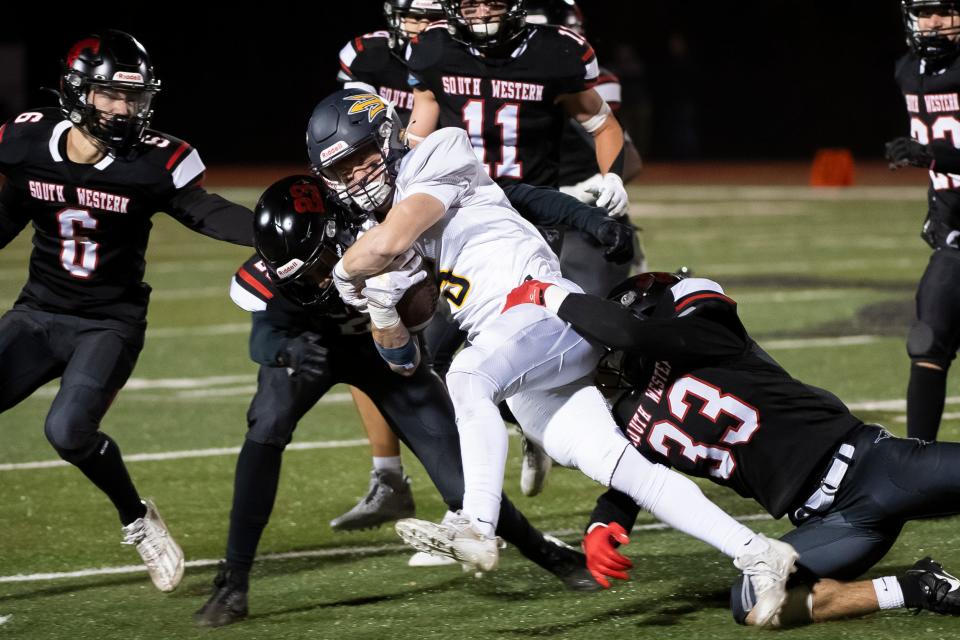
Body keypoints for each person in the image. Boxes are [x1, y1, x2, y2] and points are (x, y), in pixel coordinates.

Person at [309, 87, 799, 626]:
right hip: (513, 350)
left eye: (360, 158)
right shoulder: (376, 227)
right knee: (622, 467)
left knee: (468, 377)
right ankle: (759, 553)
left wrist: (343, 274)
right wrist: (382, 310)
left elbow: (385, 243)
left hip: (543, 310)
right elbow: (402, 360)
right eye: (341, 170)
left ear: (387, 139)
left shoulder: (438, 152)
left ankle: (476, 523)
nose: (355, 175)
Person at [194, 175, 602, 627]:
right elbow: (264, 335)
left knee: (460, 481)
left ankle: (550, 555)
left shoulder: (380, 220)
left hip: (380, 348)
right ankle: (233, 581)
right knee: (265, 429)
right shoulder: (283, 263)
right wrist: (288, 350)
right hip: (309, 348)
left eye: (316, 265)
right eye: (301, 273)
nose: (314, 278)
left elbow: (486, 190)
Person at [505, 271, 960, 626]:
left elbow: (633, 336)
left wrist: (549, 295)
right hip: (832, 521)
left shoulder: (709, 336)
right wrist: (605, 521)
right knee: (752, 602)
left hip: (875, 465)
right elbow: (634, 476)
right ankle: (918, 588)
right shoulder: (629, 412)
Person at [0, 30, 254, 593]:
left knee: (67, 432)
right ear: (76, 91)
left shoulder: (154, 161)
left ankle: (137, 519)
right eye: (110, 95)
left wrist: (273, 234)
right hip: (38, 312)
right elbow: (10, 213)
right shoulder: (25, 144)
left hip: (108, 324)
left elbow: (205, 211)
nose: (122, 109)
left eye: (133, 98)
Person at [407, 0, 638, 497]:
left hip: (528, 222)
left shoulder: (554, 53)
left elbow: (603, 125)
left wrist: (612, 177)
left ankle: (480, 497)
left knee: (506, 341)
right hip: (460, 219)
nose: (482, 12)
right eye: (470, 3)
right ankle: (520, 428)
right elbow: (418, 130)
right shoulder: (435, 49)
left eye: (491, 1)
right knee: (437, 355)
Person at [885, 0, 960, 441]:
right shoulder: (908, 71)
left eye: (943, 11)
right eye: (924, 12)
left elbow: (939, 151)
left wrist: (931, 154)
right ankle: (917, 468)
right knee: (929, 337)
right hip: (954, 233)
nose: (932, 23)